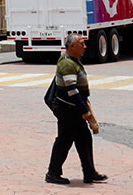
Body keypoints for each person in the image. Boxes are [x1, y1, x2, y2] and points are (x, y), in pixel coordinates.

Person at [45, 32, 107, 185]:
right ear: (72, 46)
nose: (85, 47)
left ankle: (89, 172)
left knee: (84, 139)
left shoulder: (74, 60)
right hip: (68, 109)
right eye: (82, 43)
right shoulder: (67, 64)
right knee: (64, 141)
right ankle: (53, 173)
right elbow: (72, 90)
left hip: (74, 108)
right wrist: (84, 110)